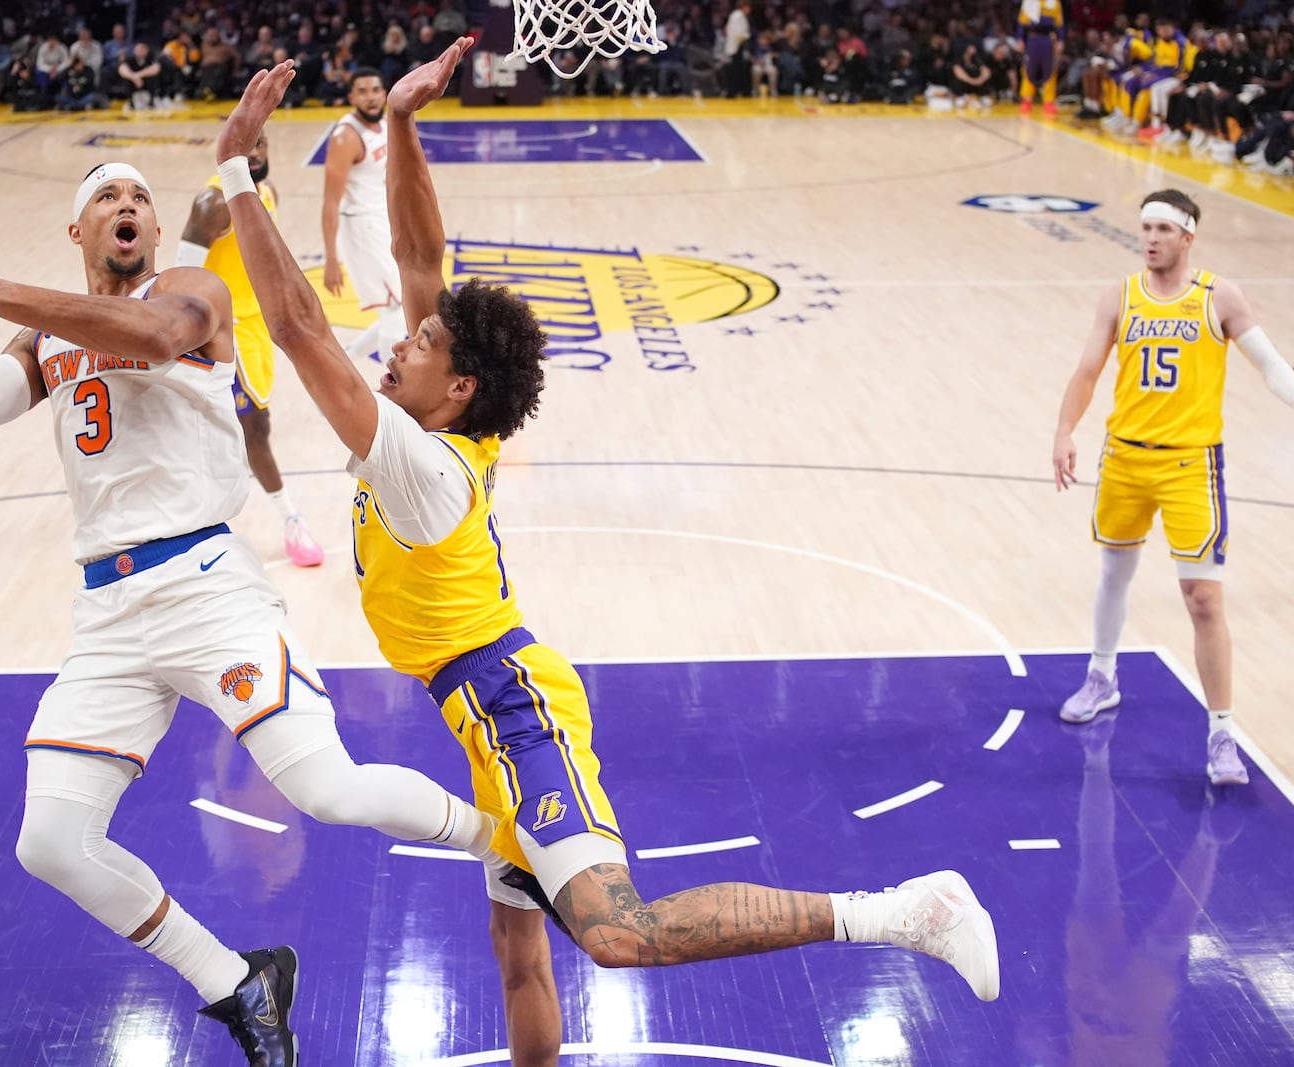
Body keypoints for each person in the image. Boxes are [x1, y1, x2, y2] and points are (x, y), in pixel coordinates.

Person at [215, 53, 1001, 1067]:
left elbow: (294, 322)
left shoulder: (418, 462)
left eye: (422, 341)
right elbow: (420, 251)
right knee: (518, 957)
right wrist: (405, 124)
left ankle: (902, 910)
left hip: (510, 702)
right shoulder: (456, 421)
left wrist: (239, 174)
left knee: (617, 930)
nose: (401, 339)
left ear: (454, 388)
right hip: (480, 706)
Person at [0, 158, 510, 1066]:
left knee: (327, 790)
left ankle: (506, 841)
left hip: (209, 588)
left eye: (138, 194)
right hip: (108, 613)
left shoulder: (192, 291)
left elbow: (158, 337)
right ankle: (236, 980)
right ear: (79, 233)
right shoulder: (44, 337)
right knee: (50, 842)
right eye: (106, 197)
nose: (127, 204)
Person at [1052, 189, 1294, 786]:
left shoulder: (1219, 296)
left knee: (1203, 599)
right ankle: (1102, 675)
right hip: (1125, 460)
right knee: (1115, 571)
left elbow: (1271, 367)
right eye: (1145, 228)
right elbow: (1087, 371)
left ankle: (1221, 733)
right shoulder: (1121, 296)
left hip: (1191, 466)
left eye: (1163, 228)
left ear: (1188, 236)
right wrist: (1064, 431)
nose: (1151, 238)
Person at [177, 129, 326, 567]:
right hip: (222, 328)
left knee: (244, 424)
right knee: (253, 427)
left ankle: (211, 499)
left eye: (261, 144)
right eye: (246, 146)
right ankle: (291, 520)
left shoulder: (266, 191)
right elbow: (181, 274)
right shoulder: (212, 203)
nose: (255, 153)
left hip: (259, 324)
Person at [322, 67, 406, 361]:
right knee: (396, 310)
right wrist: (331, 259)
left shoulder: (384, 124)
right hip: (359, 229)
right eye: (362, 91)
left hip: (380, 220)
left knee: (396, 312)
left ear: (384, 93)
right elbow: (330, 202)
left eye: (375, 90)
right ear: (351, 97)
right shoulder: (346, 137)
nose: (370, 98)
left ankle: (343, 362)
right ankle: (393, 394)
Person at [1017, 0, 1065, 115]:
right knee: (1029, 68)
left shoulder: (1055, 2)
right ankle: (1027, 100)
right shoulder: (1029, 1)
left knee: (1050, 69)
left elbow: (1060, 24)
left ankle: (1049, 101)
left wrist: (1061, 40)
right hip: (1032, 39)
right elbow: (1021, 22)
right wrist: (1019, 38)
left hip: (1048, 39)